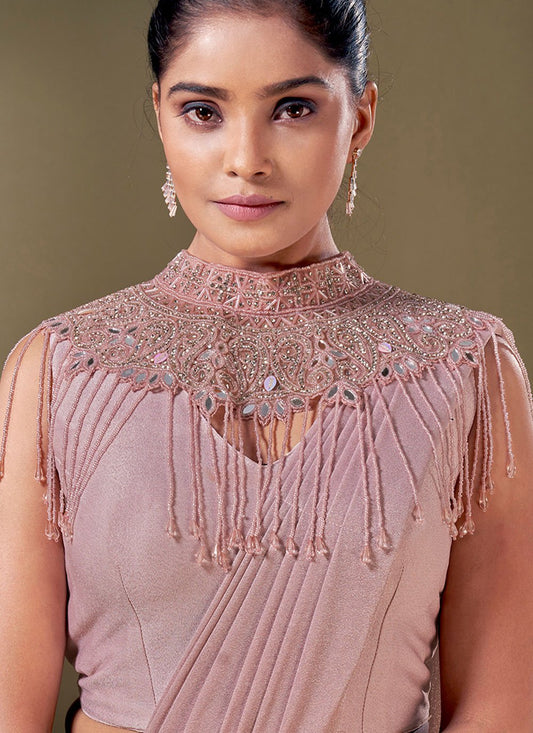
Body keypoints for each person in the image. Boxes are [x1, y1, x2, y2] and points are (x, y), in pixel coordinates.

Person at [1, 1, 532, 731]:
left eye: (292, 109)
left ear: (360, 120)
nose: (246, 158)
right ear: (159, 115)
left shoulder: (466, 367)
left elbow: (501, 706)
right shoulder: (58, 370)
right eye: (203, 112)